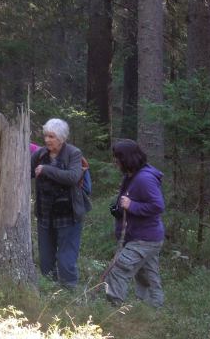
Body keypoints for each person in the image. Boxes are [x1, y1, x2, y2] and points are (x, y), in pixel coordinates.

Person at [104, 139, 165, 308]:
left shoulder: (144, 178)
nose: (115, 161)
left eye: (117, 157)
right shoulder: (131, 176)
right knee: (148, 277)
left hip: (144, 239)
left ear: (127, 158)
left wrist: (132, 206)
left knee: (118, 270)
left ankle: (114, 310)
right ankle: (152, 310)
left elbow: (158, 206)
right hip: (142, 237)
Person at [31, 118, 91, 288]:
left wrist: (46, 169)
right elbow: (26, 172)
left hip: (68, 215)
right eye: (46, 136)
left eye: (52, 136)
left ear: (62, 138)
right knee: (45, 258)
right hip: (45, 214)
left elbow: (73, 177)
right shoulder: (40, 154)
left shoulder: (73, 153)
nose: (47, 140)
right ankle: (49, 290)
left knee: (66, 258)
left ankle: (69, 290)